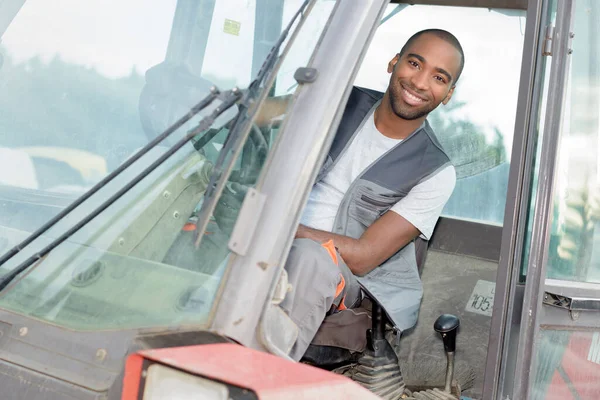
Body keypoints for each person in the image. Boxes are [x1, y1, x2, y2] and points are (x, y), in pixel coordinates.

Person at [279, 29, 465, 361]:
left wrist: (280, 229)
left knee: (309, 258)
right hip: (275, 239)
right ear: (394, 62)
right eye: (414, 63)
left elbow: (364, 256)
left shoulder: (435, 171)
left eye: (438, 77)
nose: (420, 82)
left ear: (447, 94)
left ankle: (254, 376)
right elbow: (266, 116)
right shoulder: (337, 101)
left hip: (341, 273)